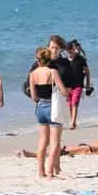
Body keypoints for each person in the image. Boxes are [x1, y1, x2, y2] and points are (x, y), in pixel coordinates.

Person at [27, 46, 68, 179]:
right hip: (53, 107)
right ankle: (50, 171)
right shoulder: (52, 72)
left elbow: (33, 97)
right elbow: (63, 91)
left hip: (40, 107)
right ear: (48, 59)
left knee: (42, 141)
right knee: (55, 141)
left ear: (37, 60)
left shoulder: (33, 74)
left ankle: (40, 171)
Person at [66, 40, 90, 130]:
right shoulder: (65, 61)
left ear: (73, 49)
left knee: (75, 103)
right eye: (67, 51)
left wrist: (87, 83)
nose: (69, 53)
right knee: (69, 104)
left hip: (78, 85)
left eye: (70, 50)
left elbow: (87, 72)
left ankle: (72, 122)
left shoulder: (80, 59)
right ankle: (72, 120)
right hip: (68, 86)